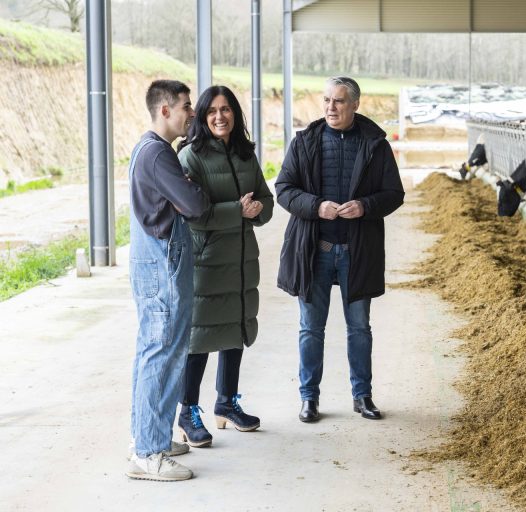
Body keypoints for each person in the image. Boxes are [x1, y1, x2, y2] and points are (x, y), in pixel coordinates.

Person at [275, 76, 404, 423]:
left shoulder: (376, 145)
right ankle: (309, 398)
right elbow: (283, 189)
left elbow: (395, 194)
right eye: (327, 101)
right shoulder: (304, 143)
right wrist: (315, 206)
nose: (331, 108)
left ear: (355, 105)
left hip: (356, 251)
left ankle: (362, 396)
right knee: (310, 328)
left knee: (359, 327)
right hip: (314, 249)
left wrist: (364, 206)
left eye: (339, 101)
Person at [175, 85, 274, 447]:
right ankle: (187, 412)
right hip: (208, 260)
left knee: (235, 330)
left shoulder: (245, 154)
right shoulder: (191, 157)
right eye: (212, 110)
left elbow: (265, 196)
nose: (220, 116)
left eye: (227, 109)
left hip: (242, 258)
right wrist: (238, 211)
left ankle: (226, 403)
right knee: (200, 337)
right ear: (202, 117)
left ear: (236, 114)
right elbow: (193, 214)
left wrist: (257, 209)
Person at [126, 79, 209, 481]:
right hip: (162, 267)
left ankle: (147, 435)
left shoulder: (148, 147)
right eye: (186, 107)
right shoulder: (158, 155)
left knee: (151, 353)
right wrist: (193, 189)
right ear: (165, 110)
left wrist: (186, 189)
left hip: (152, 264)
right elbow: (194, 205)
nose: (191, 113)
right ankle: (149, 454)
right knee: (161, 354)